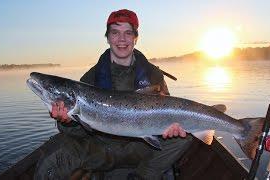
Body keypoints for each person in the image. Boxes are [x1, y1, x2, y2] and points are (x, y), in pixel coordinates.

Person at [34, 9, 193, 180]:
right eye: (115, 33)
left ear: (135, 38)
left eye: (128, 33)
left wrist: (172, 128)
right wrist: (66, 122)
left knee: (185, 136)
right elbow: (79, 133)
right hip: (102, 148)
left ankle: (144, 175)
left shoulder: (153, 74)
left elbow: (167, 112)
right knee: (52, 160)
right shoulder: (89, 78)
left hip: (142, 148)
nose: (122, 39)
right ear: (108, 37)